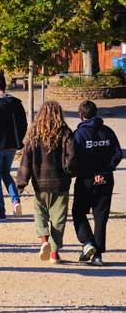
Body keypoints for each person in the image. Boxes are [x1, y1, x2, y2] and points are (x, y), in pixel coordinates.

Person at [16, 101, 77, 264]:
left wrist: (21, 183)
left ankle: (44, 241)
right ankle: (54, 253)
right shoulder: (65, 132)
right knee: (58, 218)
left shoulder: (34, 133)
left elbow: (26, 160)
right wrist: (71, 172)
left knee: (40, 213)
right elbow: (71, 158)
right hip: (60, 182)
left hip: (40, 182)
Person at [71, 100, 122, 266]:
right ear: (96, 114)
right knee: (101, 217)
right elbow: (117, 154)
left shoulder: (79, 135)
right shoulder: (108, 132)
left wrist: (89, 174)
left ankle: (88, 242)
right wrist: (105, 171)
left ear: (81, 116)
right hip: (106, 180)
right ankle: (98, 255)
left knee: (78, 212)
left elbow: (74, 158)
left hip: (86, 180)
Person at [0, 71, 28, 220]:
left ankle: (0, 210)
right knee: (6, 173)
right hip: (11, 145)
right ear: (5, 85)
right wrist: (18, 139)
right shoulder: (16, 103)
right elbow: (24, 124)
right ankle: (15, 200)